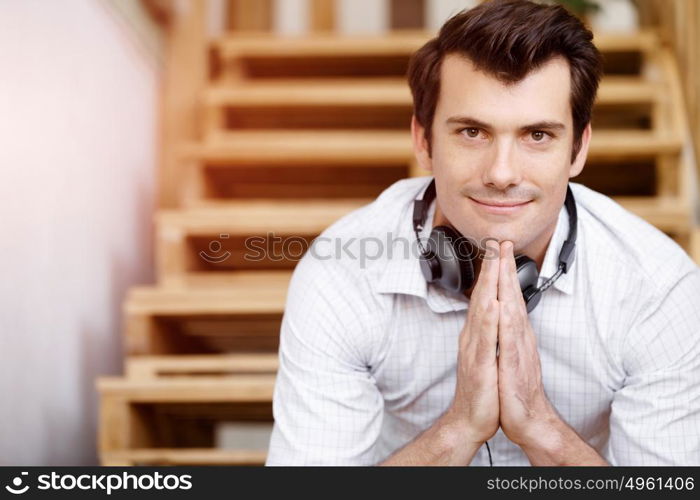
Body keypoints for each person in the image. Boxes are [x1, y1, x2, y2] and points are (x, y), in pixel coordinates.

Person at [265, 0, 700, 465]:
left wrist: (539, 427)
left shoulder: (659, 290)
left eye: (537, 135)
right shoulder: (342, 273)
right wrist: (458, 429)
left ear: (578, 150)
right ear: (423, 140)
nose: (501, 173)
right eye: (472, 132)